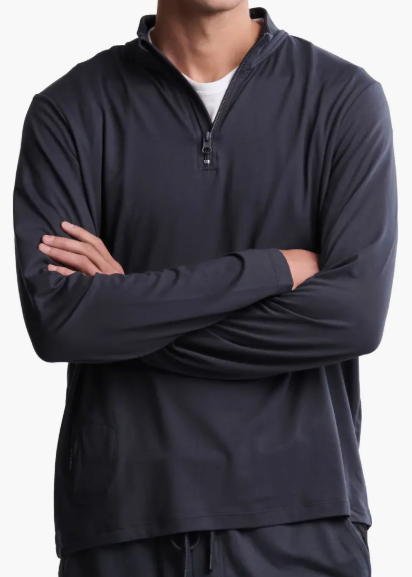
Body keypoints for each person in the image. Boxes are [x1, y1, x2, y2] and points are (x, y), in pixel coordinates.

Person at [13, 1, 397, 575]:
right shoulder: (68, 110)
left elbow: (354, 317)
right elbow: (61, 322)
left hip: (303, 521)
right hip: (124, 522)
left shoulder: (343, 98)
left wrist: (127, 305)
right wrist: (271, 270)